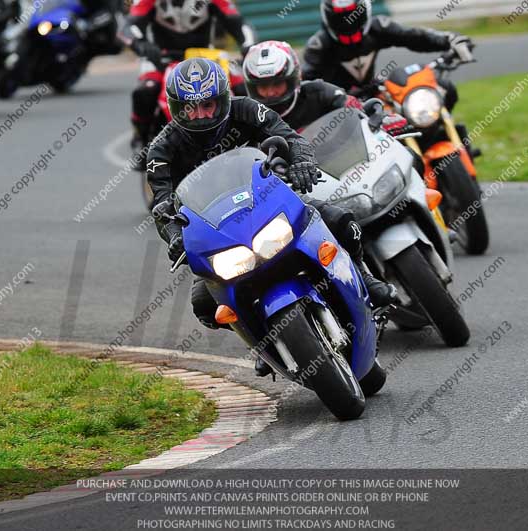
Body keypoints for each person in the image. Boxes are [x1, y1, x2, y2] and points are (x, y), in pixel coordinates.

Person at [147, 58, 396, 376]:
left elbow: (289, 137)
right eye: (190, 108)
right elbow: (162, 204)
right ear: (176, 108)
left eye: (209, 105)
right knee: (204, 304)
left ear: (223, 99)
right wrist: (173, 236)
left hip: (272, 201)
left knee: (339, 219)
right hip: (217, 231)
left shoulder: (248, 109)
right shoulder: (161, 149)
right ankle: (259, 341)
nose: (202, 115)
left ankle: (366, 279)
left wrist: (302, 161)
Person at [242, 40, 423, 175]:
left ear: (293, 78)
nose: (271, 93)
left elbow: (357, 108)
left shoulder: (319, 92)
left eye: (277, 84)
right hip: (302, 189)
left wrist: (383, 120)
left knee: (409, 156)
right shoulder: (249, 118)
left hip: (353, 168)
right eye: (263, 87)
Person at [125, 0, 256, 165]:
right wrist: (140, 44)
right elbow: (128, 27)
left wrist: (248, 45)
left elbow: (239, 24)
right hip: (161, 58)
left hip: (206, 58)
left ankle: (254, 137)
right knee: (145, 91)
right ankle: (141, 139)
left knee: (242, 87)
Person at [302, 0, 473, 110]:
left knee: (444, 88)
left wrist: (450, 40)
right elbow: (304, 84)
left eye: (353, 16)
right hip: (340, 106)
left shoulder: (379, 27)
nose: (348, 24)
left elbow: (414, 37)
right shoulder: (319, 45)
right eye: (341, 18)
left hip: (376, 90)